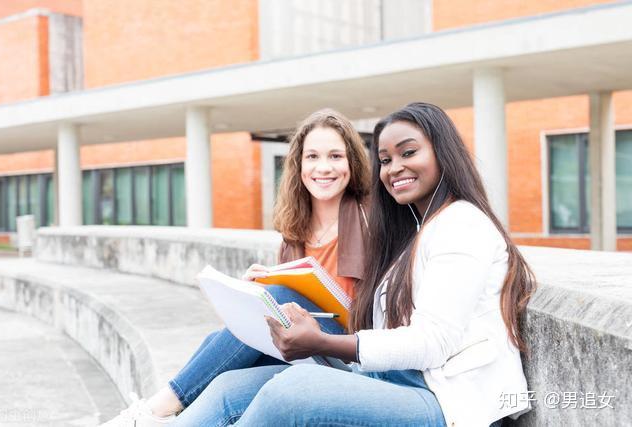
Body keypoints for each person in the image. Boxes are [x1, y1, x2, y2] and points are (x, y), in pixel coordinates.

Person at [172, 102, 536, 427]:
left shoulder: (462, 223)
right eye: (386, 160)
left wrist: (322, 343)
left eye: (408, 152)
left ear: (443, 153)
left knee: (290, 391)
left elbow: (433, 343)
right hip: (393, 378)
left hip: (445, 401)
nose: (396, 167)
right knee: (229, 389)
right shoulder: (419, 231)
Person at [102, 108, 370, 426]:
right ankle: (159, 415)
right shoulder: (294, 231)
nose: (323, 167)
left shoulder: (373, 219)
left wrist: (274, 293)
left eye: (335, 156)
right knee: (222, 372)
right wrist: (259, 291)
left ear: (352, 162)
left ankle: (156, 408)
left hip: (345, 352)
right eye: (312, 156)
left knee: (276, 297)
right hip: (301, 353)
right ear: (299, 165)